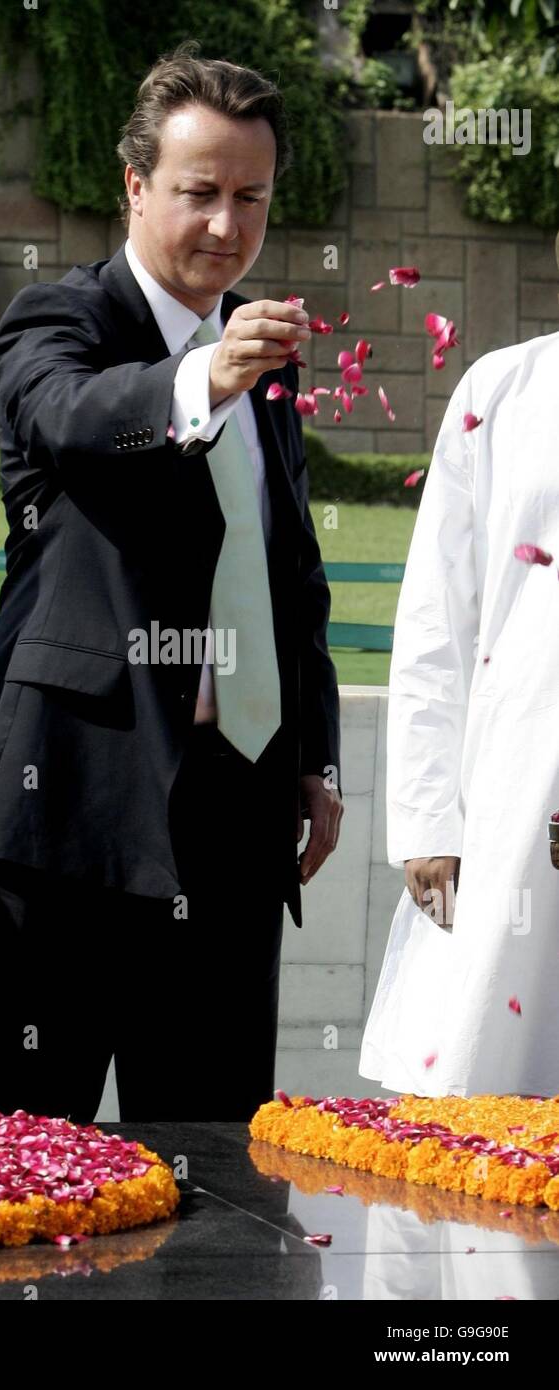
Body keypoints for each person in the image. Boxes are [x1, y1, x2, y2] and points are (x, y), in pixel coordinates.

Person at [0, 43, 343, 1123]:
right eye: (198, 193)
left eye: (249, 197)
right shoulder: (57, 318)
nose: (225, 224)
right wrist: (202, 377)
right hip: (66, 804)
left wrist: (315, 759)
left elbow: (287, 575)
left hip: (230, 814)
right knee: (43, 1169)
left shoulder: (261, 359)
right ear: (134, 186)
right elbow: (70, 418)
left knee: (218, 1181)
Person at [359, 315, 559, 1100]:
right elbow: (438, 616)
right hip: (509, 789)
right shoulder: (502, 387)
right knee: (484, 1096)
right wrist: (427, 821)